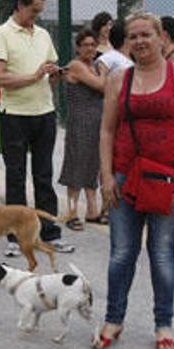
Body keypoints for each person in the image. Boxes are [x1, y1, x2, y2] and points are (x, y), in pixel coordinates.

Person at [95, 13, 174, 349]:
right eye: (133, 36)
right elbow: (107, 130)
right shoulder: (119, 79)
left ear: (161, 37)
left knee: (161, 253)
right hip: (125, 177)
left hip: (170, 178)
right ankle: (114, 319)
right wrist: (105, 176)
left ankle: (164, 323)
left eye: (146, 34)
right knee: (121, 253)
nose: (140, 41)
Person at [0, 0, 74, 256]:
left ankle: (50, 233)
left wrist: (55, 74)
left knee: (44, 175)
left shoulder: (43, 34)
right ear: (20, 6)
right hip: (14, 115)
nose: (36, 16)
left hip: (44, 113)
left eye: (40, 11)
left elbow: (48, 71)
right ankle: (14, 237)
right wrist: (35, 76)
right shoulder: (1, 34)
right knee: (15, 176)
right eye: (33, 11)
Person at [59, 28, 107, 230]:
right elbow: (101, 86)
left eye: (93, 45)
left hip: (96, 122)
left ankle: (92, 210)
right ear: (78, 47)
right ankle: (71, 212)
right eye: (85, 45)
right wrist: (105, 72)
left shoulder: (93, 65)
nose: (90, 48)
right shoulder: (77, 66)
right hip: (80, 122)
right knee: (76, 165)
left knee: (92, 164)